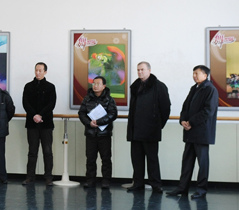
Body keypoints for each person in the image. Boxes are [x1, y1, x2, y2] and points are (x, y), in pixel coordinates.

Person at [167, 65, 219, 199]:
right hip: (190, 132)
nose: (194, 76)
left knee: (202, 163)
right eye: (193, 73)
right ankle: (182, 188)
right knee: (187, 162)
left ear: (205, 75)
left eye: (197, 73)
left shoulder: (210, 89)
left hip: (202, 132)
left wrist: (191, 122)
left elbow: (208, 111)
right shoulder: (194, 88)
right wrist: (183, 120)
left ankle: (201, 190)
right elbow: (185, 107)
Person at [125, 62, 171, 194]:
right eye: (138, 70)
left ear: (149, 70)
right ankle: (138, 183)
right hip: (136, 129)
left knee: (152, 159)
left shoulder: (159, 86)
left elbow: (165, 108)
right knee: (136, 159)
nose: (140, 72)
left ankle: (156, 184)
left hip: (151, 129)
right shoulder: (135, 86)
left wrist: (158, 125)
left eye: (142, 70)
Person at [79, 75, 118, 188]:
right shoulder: (87, 99)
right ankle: (90, 180)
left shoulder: (109, 99)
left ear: (104, 86)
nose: (95, 86)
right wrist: (89, 123)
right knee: (90, 159)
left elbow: (113, 114)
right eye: (94, 83)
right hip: (90, 133)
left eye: (98, 84)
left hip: (104, 134)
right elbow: (81, 113)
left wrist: (99, 122)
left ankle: (106, 181)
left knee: (106, 159)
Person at [22, 62, 56, 184]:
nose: (37, 72)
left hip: (46, 124)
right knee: (32, 152)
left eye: (40, 70)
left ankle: (48, 177)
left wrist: (41, 115)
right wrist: (34, 115)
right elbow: (25, 103)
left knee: (47, 151)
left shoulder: (50, 87)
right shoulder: (28, 86)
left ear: (45, 72)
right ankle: (30, 177)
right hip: (32, 124)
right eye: (36, 70)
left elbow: (51, 104)